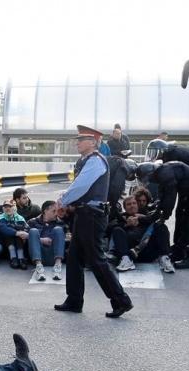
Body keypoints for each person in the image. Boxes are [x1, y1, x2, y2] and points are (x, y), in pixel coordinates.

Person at [55, 125, 132, 318]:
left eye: (82, 139)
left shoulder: (96, 161)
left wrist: (62, 200)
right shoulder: (85, 160)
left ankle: (121, 300)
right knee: (74, 259)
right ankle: (74, 300)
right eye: (78, 139)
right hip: (84, 214)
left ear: (93, 142)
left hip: (92, 215)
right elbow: (77, 186)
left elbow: (81, 186)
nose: (78, 142)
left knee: (97, 260)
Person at [135, 160, 189, 270]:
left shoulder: (165, 174)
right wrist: (156, 210)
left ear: (151, 173)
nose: (150, 181)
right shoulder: (163, 173)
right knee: (184, 223)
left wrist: (164, 216)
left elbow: (170, 198)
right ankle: (179, 253)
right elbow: (162, 196)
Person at [108, 196, 174, 273]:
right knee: (117, 230)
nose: (132, 206)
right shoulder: (121, 218)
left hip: (147, 250)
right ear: (125, 208)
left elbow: (157, 217)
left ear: (137, 205)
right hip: (129, 253)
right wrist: (126, 224)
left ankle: (164, 258)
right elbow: (109, 229)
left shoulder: (146, 215)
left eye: (134, 203)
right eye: (129, 204)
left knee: (161, 227)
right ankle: (126, 260)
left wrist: (142, 219)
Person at [27, 200, 68, 281]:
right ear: (45, 211)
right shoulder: (32, 222)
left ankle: (58, 266)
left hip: (54, 255)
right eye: (54, 211)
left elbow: (65, 241)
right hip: (38, 255)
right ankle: (39, 267)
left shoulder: (61, 223)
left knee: (58, 229)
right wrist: (41, 240)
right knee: (33, 231)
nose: (56, 213)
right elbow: (24, 236)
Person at [0, 200, 30, 269]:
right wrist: (17, 232)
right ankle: (13, 257)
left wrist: (21, 233)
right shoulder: (0, 217)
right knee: (11, 233)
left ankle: (21, 258)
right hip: (5, 245)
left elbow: (26, 229)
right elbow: (3, 229)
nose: (8, 208)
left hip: (19, 243)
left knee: (17, 234)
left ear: (14, 208)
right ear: (3, 209)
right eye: (5, 207)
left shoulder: (20, 218)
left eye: (10, 206)